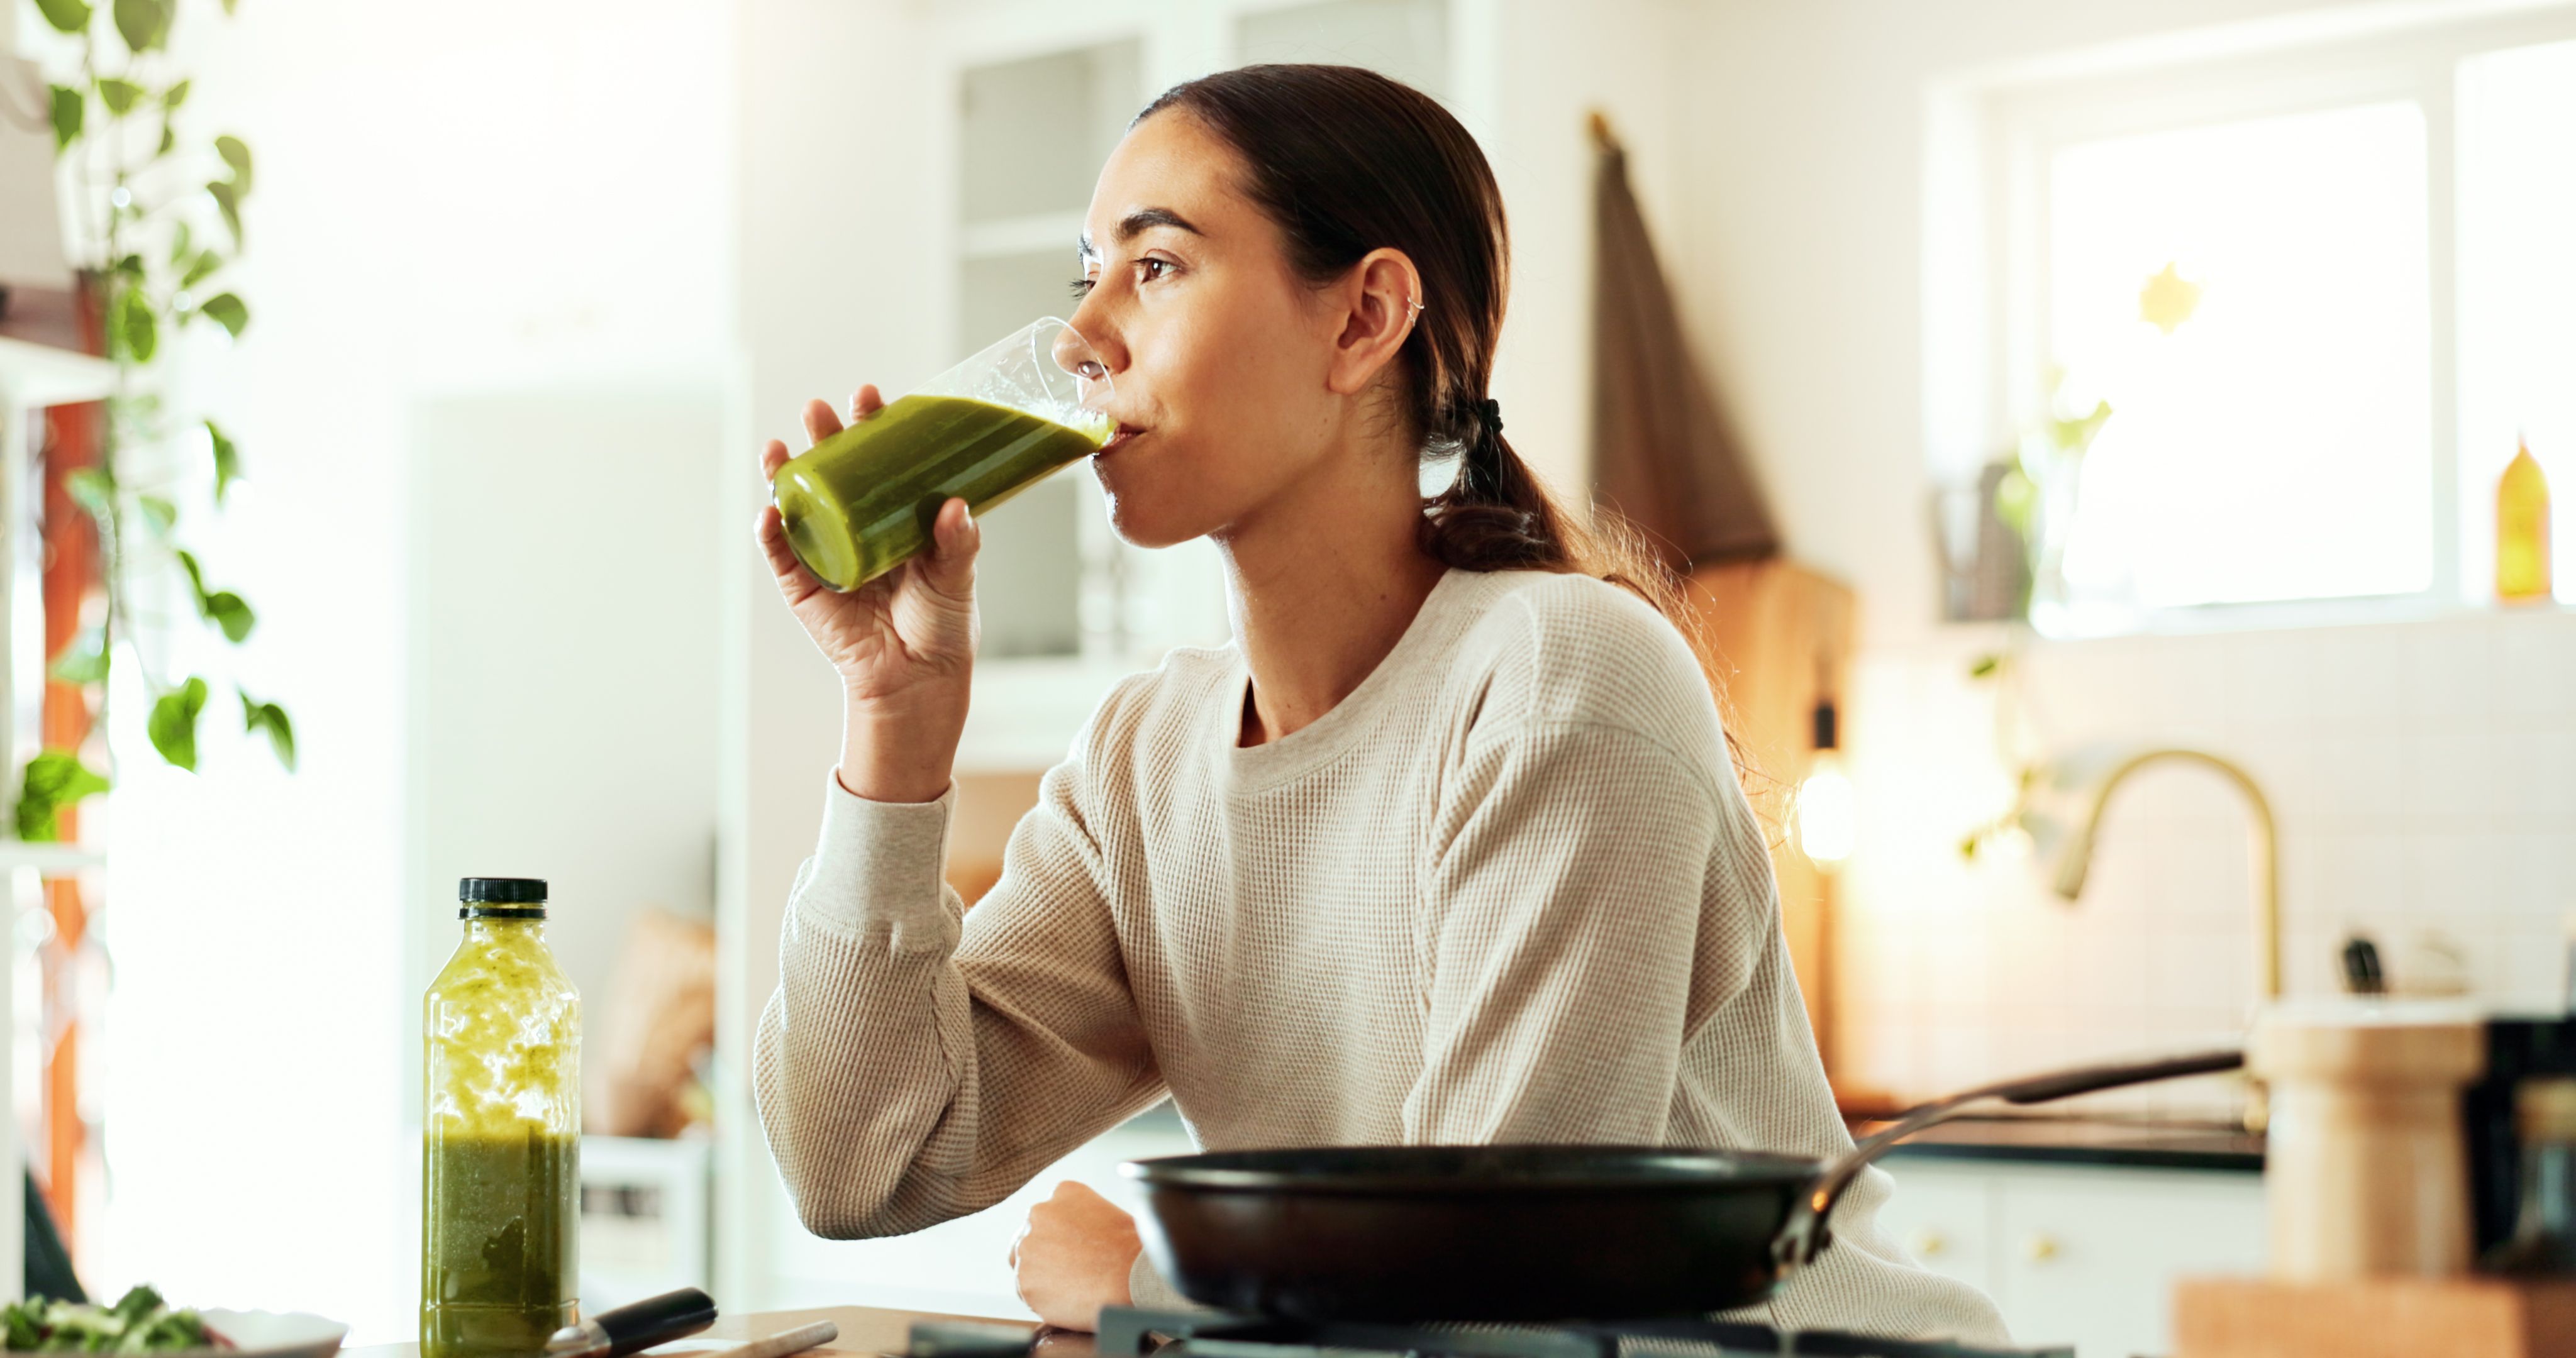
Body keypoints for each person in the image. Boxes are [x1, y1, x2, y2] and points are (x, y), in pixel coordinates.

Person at [752, 63, 2006, 1345]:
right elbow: (864, 1166)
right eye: (1088, 278)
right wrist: (892, 734)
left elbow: (1501, 1275)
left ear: (1362, 320)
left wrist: (1146, 1291)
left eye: (1159, 267)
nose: (1085, 336)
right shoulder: (1147, 757)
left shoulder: (1558, 681)